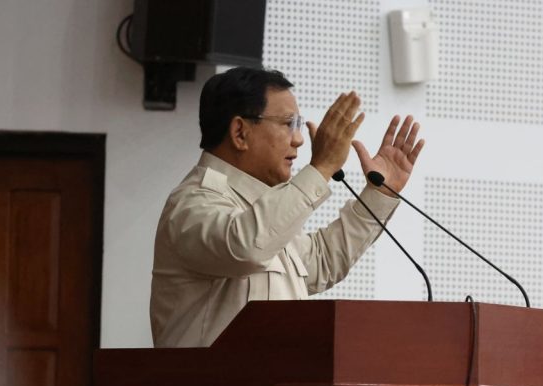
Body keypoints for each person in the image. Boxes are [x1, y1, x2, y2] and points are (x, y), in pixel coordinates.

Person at [150, 67, 425, 347]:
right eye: (288, 123)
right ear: (240, 133)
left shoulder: (261, 210)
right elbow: (245, 247)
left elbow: (323, 260)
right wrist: (321, 168)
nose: (299, 138)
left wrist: (377, 194)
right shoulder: (192, 202)